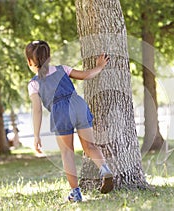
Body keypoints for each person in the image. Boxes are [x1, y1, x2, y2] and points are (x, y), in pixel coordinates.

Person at [25, 40, 113, 202]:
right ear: (49, 57)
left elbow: (37, 110)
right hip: (78, 105)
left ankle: (76, 193)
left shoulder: (34, 84)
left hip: (60, 113)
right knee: (90, 146)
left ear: (30, 61)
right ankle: (104, 168)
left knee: (67, 153)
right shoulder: (62, 69)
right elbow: (86, 75)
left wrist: (36, 135)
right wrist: (99, 66)